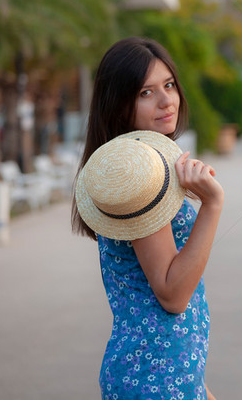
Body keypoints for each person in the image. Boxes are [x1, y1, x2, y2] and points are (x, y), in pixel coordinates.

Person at [72, 37, 223, 400]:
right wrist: (212, 206)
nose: (166, 100)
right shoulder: (137, 178)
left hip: (166, 370)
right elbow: (172, 295)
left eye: (169, 85)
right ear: (120, 106)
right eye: (146, 92)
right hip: (154, 376)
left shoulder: (145, 167)